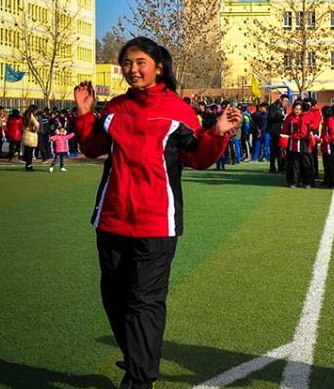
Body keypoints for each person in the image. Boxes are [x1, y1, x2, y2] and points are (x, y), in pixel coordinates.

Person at [74, 37, 241, 389]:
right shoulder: (115, 108)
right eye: (126, 63)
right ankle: (138, 356)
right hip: (112, 219)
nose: (132, 69)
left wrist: (216, 133)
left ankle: (139, 379)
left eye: (139, 62)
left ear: (158, 67)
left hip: (156, 222)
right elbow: (91, 149)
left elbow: (198, 159)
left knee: (144, 301)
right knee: (114, 297)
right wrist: (85, 112)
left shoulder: (177, 110)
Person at [283, 101, 313, 188]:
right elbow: (285, 130)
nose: (297, 111)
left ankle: (307, 182)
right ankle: (294, 181)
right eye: (296, 109)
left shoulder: (304, 117)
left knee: (305, 163)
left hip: (303, 143)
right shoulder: (289, 118)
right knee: (294, 164)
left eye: (299, 109)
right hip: (293, 143)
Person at [267, 94, 288, 173]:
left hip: (281, 131)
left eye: (287, 101)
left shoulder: (283, 108)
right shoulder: (274, 107)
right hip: (275, 130)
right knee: (275, 149)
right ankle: (273, 167)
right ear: (281, 100)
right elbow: (271, 117)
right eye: (285, 101)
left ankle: (281, 166)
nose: (286, 103)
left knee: (280, 149)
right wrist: (282, 117)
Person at [21, 105, 39, 171]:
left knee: (27, 151)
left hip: (25, 133)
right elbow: (37, 124)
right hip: (31, 134)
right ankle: (29, 166)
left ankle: (27, 165)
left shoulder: (25, 115)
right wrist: (36, 130)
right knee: (30, 152)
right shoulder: (31, 115)